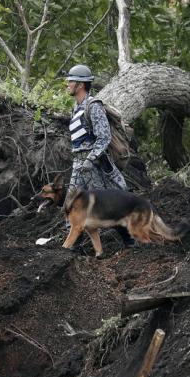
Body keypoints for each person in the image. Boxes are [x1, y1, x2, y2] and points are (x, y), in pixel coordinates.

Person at [64, 64, 135, 246]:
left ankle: (130, 241)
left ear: (80, 85)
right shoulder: (75, 108)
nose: (67, 84)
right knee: (72, 205)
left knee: (106, 206)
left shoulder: (93, 106)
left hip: (94, 165)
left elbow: (104, 137)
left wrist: (90, 159)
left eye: (71, 81)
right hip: (79, 164)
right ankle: (73, 249)